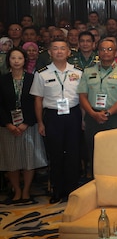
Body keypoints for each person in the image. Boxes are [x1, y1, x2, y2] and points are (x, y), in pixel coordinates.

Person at [32, 39, 84, 204]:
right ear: (49, 52)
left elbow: (83, 98)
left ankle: (72, 189)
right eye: (55, 49)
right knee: (55, 154)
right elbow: (38, 100)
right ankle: (57, 190)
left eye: (63, 48)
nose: (59, 51)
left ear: (69, 52)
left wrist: (83, 119)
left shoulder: (78, 72)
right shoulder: (41, 73)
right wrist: (40, 122)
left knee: (73, 153)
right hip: (53, 116)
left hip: (73, 115)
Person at [78, 37, 117, 176]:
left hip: (115, 117)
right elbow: (82, 95)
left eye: (109, 49)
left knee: (114, 151)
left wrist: (108, 113)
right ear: (98, 53)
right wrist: (92, 113)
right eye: (102, 49)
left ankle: (114, 182)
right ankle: (95, 182)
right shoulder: (88, 71)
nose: (106, 52)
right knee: (93, 151)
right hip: (92, 116)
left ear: (115, 53)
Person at [0, 48, 48, 203]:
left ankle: (26, 190)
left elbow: (36, 102)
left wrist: (26, 122)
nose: (16, 61)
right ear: (8, 61)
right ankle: (17, 190)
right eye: (13, 58)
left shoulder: (32, 78)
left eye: (19, 58)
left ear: (24, 61)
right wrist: (8, 123)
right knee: (11, 160)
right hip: (7, 126)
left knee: (29, 158)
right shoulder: (2, 80)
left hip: (28, 125)